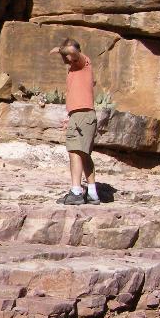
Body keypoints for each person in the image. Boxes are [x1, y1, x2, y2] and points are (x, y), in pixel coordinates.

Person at [49, 38, 101, 205]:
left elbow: (72, 50)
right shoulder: (75, 69)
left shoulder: (82, 62)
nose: (65, 57)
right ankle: (92, 193)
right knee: (84, 154)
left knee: (75, 152)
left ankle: (76, 192)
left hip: (82, 115)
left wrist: (60, 49)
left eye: (66, 55)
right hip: (82, 115)